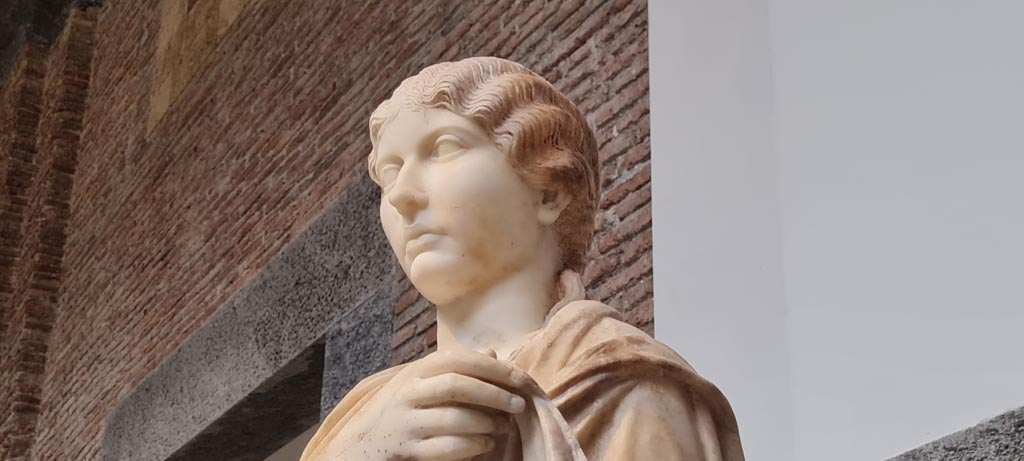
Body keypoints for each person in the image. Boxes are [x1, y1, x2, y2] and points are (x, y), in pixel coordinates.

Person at [302, 57, 744, 461]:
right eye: (390, 173)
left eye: (443, 149)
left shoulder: (629, 389)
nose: (401, 195)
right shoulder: (359, 423)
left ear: (548, 190)